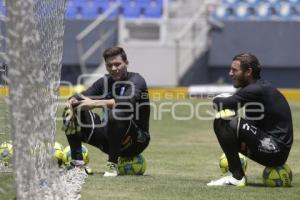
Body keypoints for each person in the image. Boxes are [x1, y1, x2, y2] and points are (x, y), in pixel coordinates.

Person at [207, 53, 293, 186]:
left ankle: (236, 177)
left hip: (275, 150)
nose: (230, 73)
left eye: (235, 70)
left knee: (222, 121)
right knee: (231, 123)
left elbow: (223, 104)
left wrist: (216, 98)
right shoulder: (256, 90)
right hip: (274, 150)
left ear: (248, 72)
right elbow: (250, 125)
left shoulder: (256, 89)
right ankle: (235, 170)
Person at [63, 46, 150, 177]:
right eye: (110, 65)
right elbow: (82, 95)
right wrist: (72, 101)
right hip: (109, 139)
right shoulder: (104, 81)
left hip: (135, 141)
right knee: (71, 111)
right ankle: (77, 164)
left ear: (126, 63)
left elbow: (126, 103)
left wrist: (94, 103)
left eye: (117, 64)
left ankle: (112, 165)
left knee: (117, 113)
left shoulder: (137, 81)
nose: (114, 68)